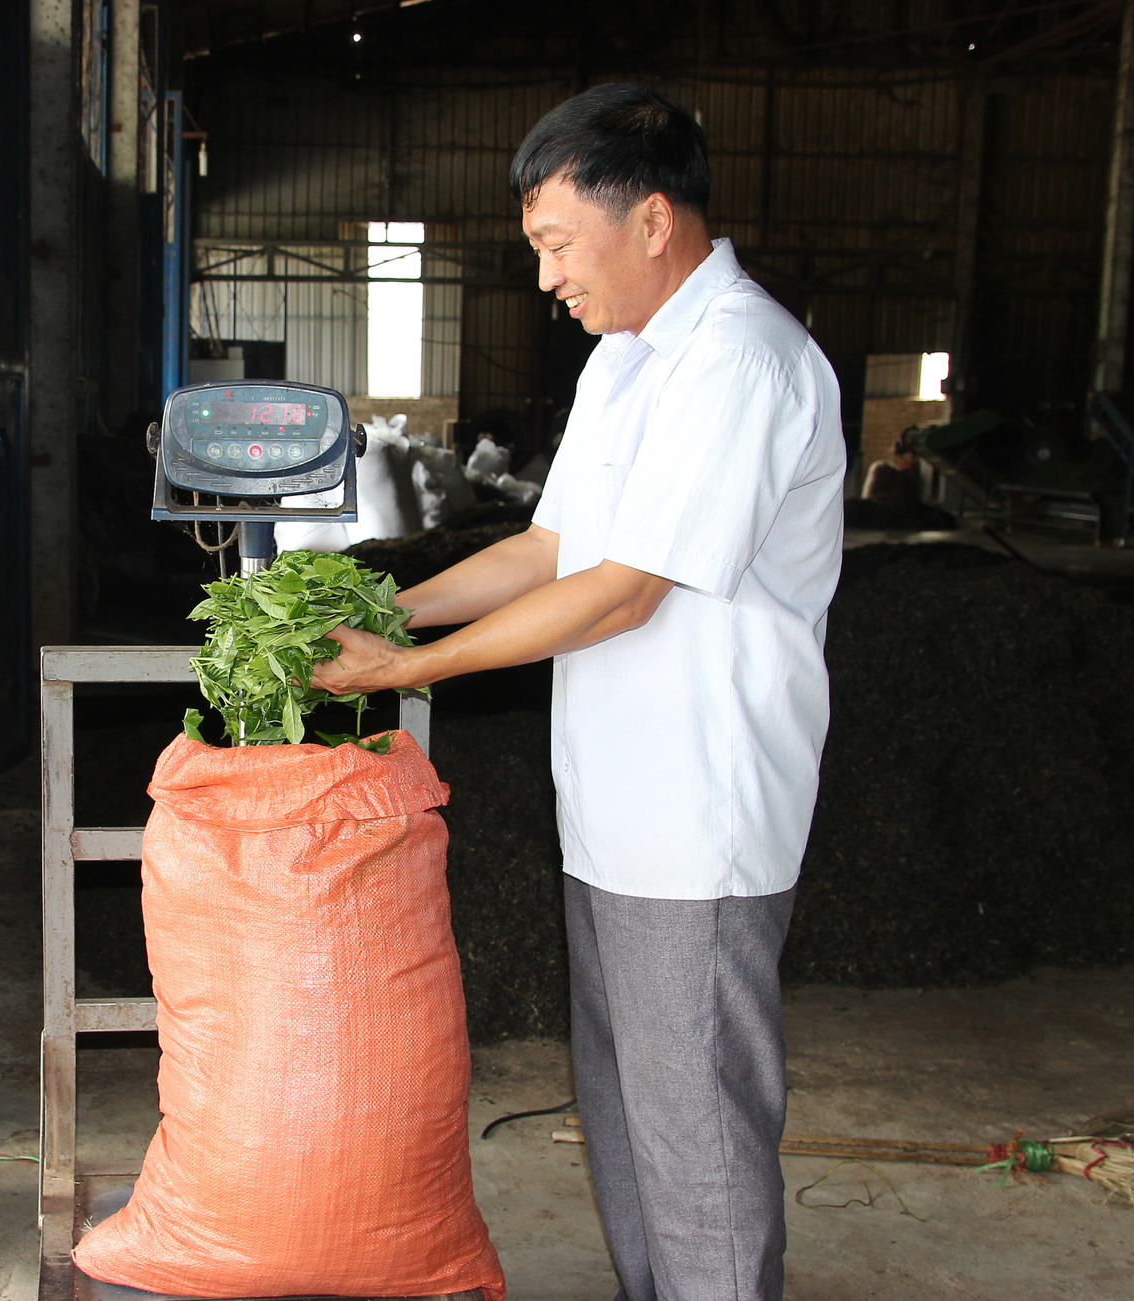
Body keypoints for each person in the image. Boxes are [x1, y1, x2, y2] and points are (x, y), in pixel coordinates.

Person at [313, 83, 844, 1301]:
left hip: (696, 820)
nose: (547, 277)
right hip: (614, 808)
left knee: (694, 1128)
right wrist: (388, 608)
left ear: (650, 220)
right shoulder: (624, 359)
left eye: (556, 244)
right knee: (624, 1112)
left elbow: (623, 591)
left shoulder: (743, 361)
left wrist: (406, 671)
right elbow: (549, 550)